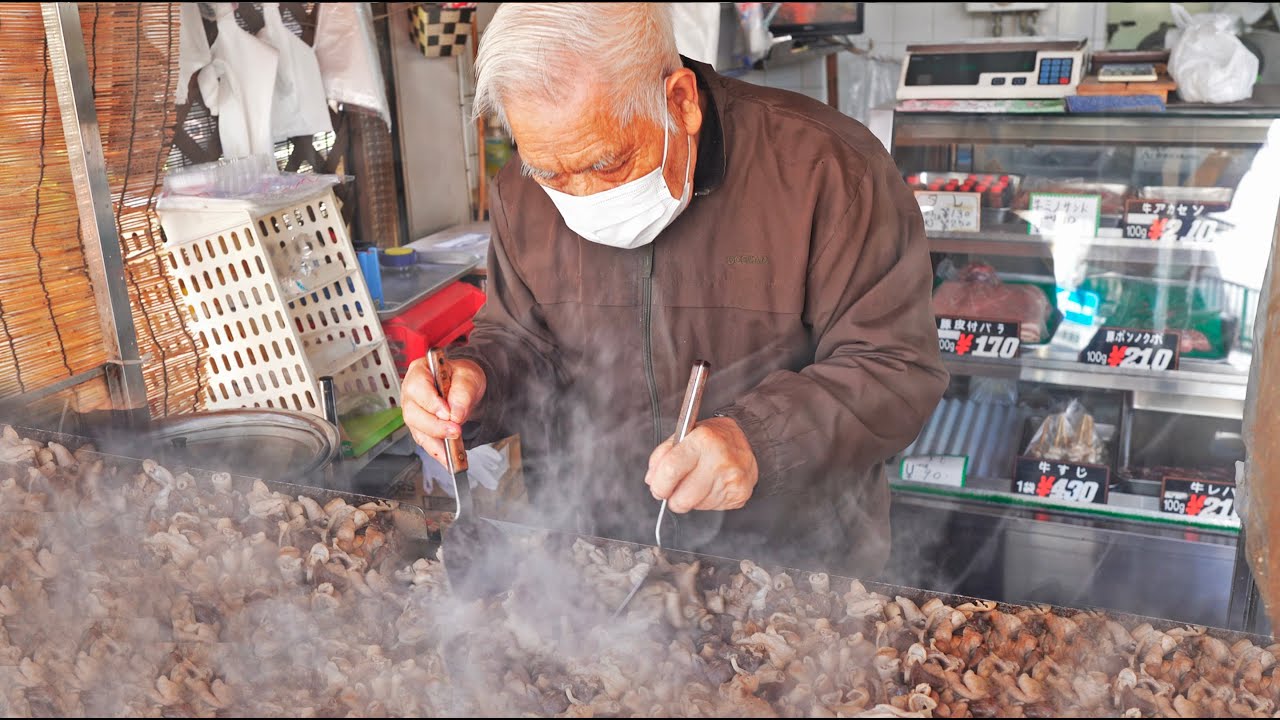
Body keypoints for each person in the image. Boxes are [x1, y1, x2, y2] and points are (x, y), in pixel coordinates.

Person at [402, 2, 947, 577]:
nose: (579, 194)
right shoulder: (523, 189)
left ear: (681, 101)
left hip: (793, 573)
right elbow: (522, 342)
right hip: (592, 565)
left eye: (607, 163)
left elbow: (894, 365)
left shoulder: (828, 169)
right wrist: (474, 379)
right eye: (552, 173)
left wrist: (755, 441)